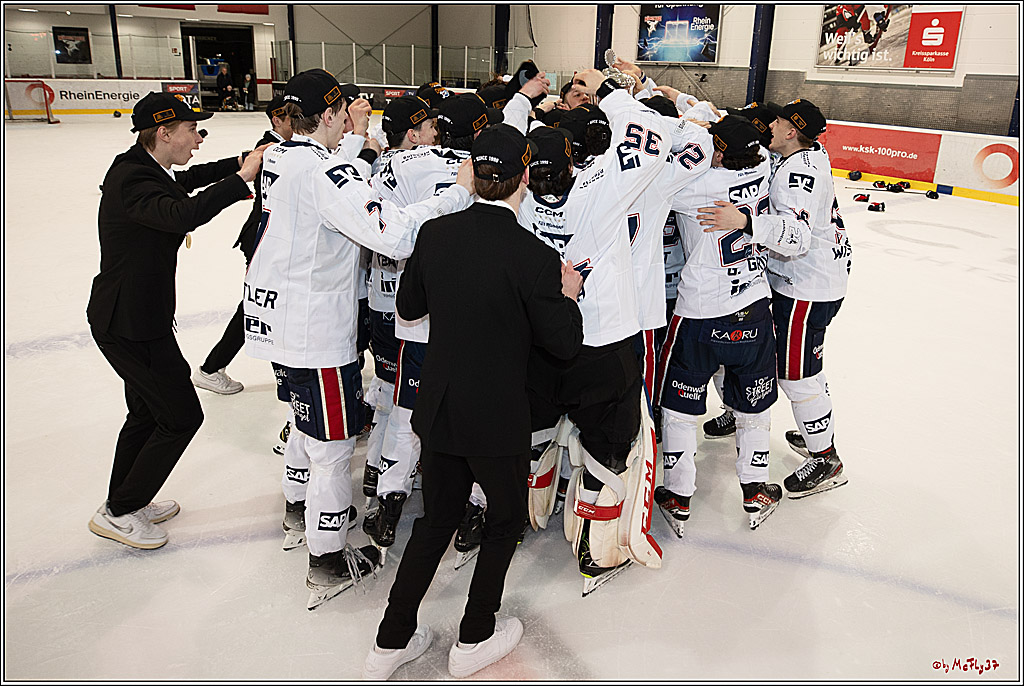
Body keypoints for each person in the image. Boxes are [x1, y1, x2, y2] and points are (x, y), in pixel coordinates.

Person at [242, 69, 474, 609]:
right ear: (327, 114)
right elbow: (391, 233)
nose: (351, 119)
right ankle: (326, 557)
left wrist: (352, 141)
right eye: (345, 111)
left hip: (277, 319)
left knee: (304, 422)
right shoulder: (325, 174)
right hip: (315, 329)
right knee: (332, 445)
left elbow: (333, 168)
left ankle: (298, 506)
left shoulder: (280, 156)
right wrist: (455, 196)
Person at [363, 124, 584, 681]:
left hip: (438, 405)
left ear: (473, 177)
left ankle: (390, 641)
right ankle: (474, 636)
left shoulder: (435, 236)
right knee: (506, 517)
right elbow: (563, 344)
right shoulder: (534, 254)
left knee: (436, 519)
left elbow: (408, 307)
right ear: (525, 179)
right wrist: (569, 295)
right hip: (497, 415)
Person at [86, 91, 267, 549]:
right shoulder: (132, 181)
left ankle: (124, 500)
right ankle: (122, 509)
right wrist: (242, 179)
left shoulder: (145, 168)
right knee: (181, 416)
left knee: (146, 412)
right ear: (164, 132)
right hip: (129, 325)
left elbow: (186, 181)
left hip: (136, 318)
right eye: (193, 130)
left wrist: (240, 161)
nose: (199, 139)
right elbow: (183, 212)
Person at [653, 115, 804, 535]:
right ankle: (755, 488)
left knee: (679, 411)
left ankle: (678, 495)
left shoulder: (692, 188)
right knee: (754, 409)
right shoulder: (761, 170)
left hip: (699, 314)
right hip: (754, 311)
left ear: (717, 150)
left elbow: (659, 178)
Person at [698, 99, 851, 499]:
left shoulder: (799, 174)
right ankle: (799, 426)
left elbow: (796, 239)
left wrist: (745, 221)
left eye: (779, 121)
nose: (771, 125)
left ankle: (826, 456)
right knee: (784, 364)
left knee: (797, 375)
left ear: (789, 132)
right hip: (806, 282)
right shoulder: (802, 154)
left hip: (805, 289)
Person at [193, 95, 293, 397]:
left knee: (257, 304)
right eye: (291, 118)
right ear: (277, 120)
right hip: (263, 238)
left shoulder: (280, 147)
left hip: (269, 237)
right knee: (257, 305)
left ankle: (212, 367)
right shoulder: (268, 149)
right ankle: (211, 368)